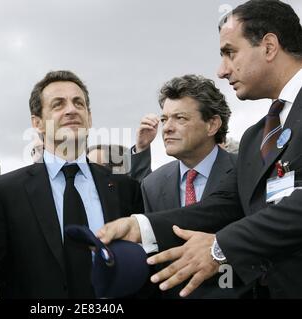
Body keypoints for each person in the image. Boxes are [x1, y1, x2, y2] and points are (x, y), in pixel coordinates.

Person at [98, 0, 302, 299]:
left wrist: (221, 246)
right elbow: (222, 208)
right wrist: (141, 226)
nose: (221, 70)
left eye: (230, 53)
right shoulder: (255, 137)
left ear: (269, 46)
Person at [0, 70, 143, 298]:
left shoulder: (126, 188)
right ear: (37, 123)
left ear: (90, 116)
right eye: (58, 104)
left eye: (79, 103)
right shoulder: (5, 193)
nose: (71, 110)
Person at [141, 74, 247, 298]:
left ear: (212, 125)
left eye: (180, 118)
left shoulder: (246, 172)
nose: (167, 128)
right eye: (164, 119)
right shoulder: (151, 184)